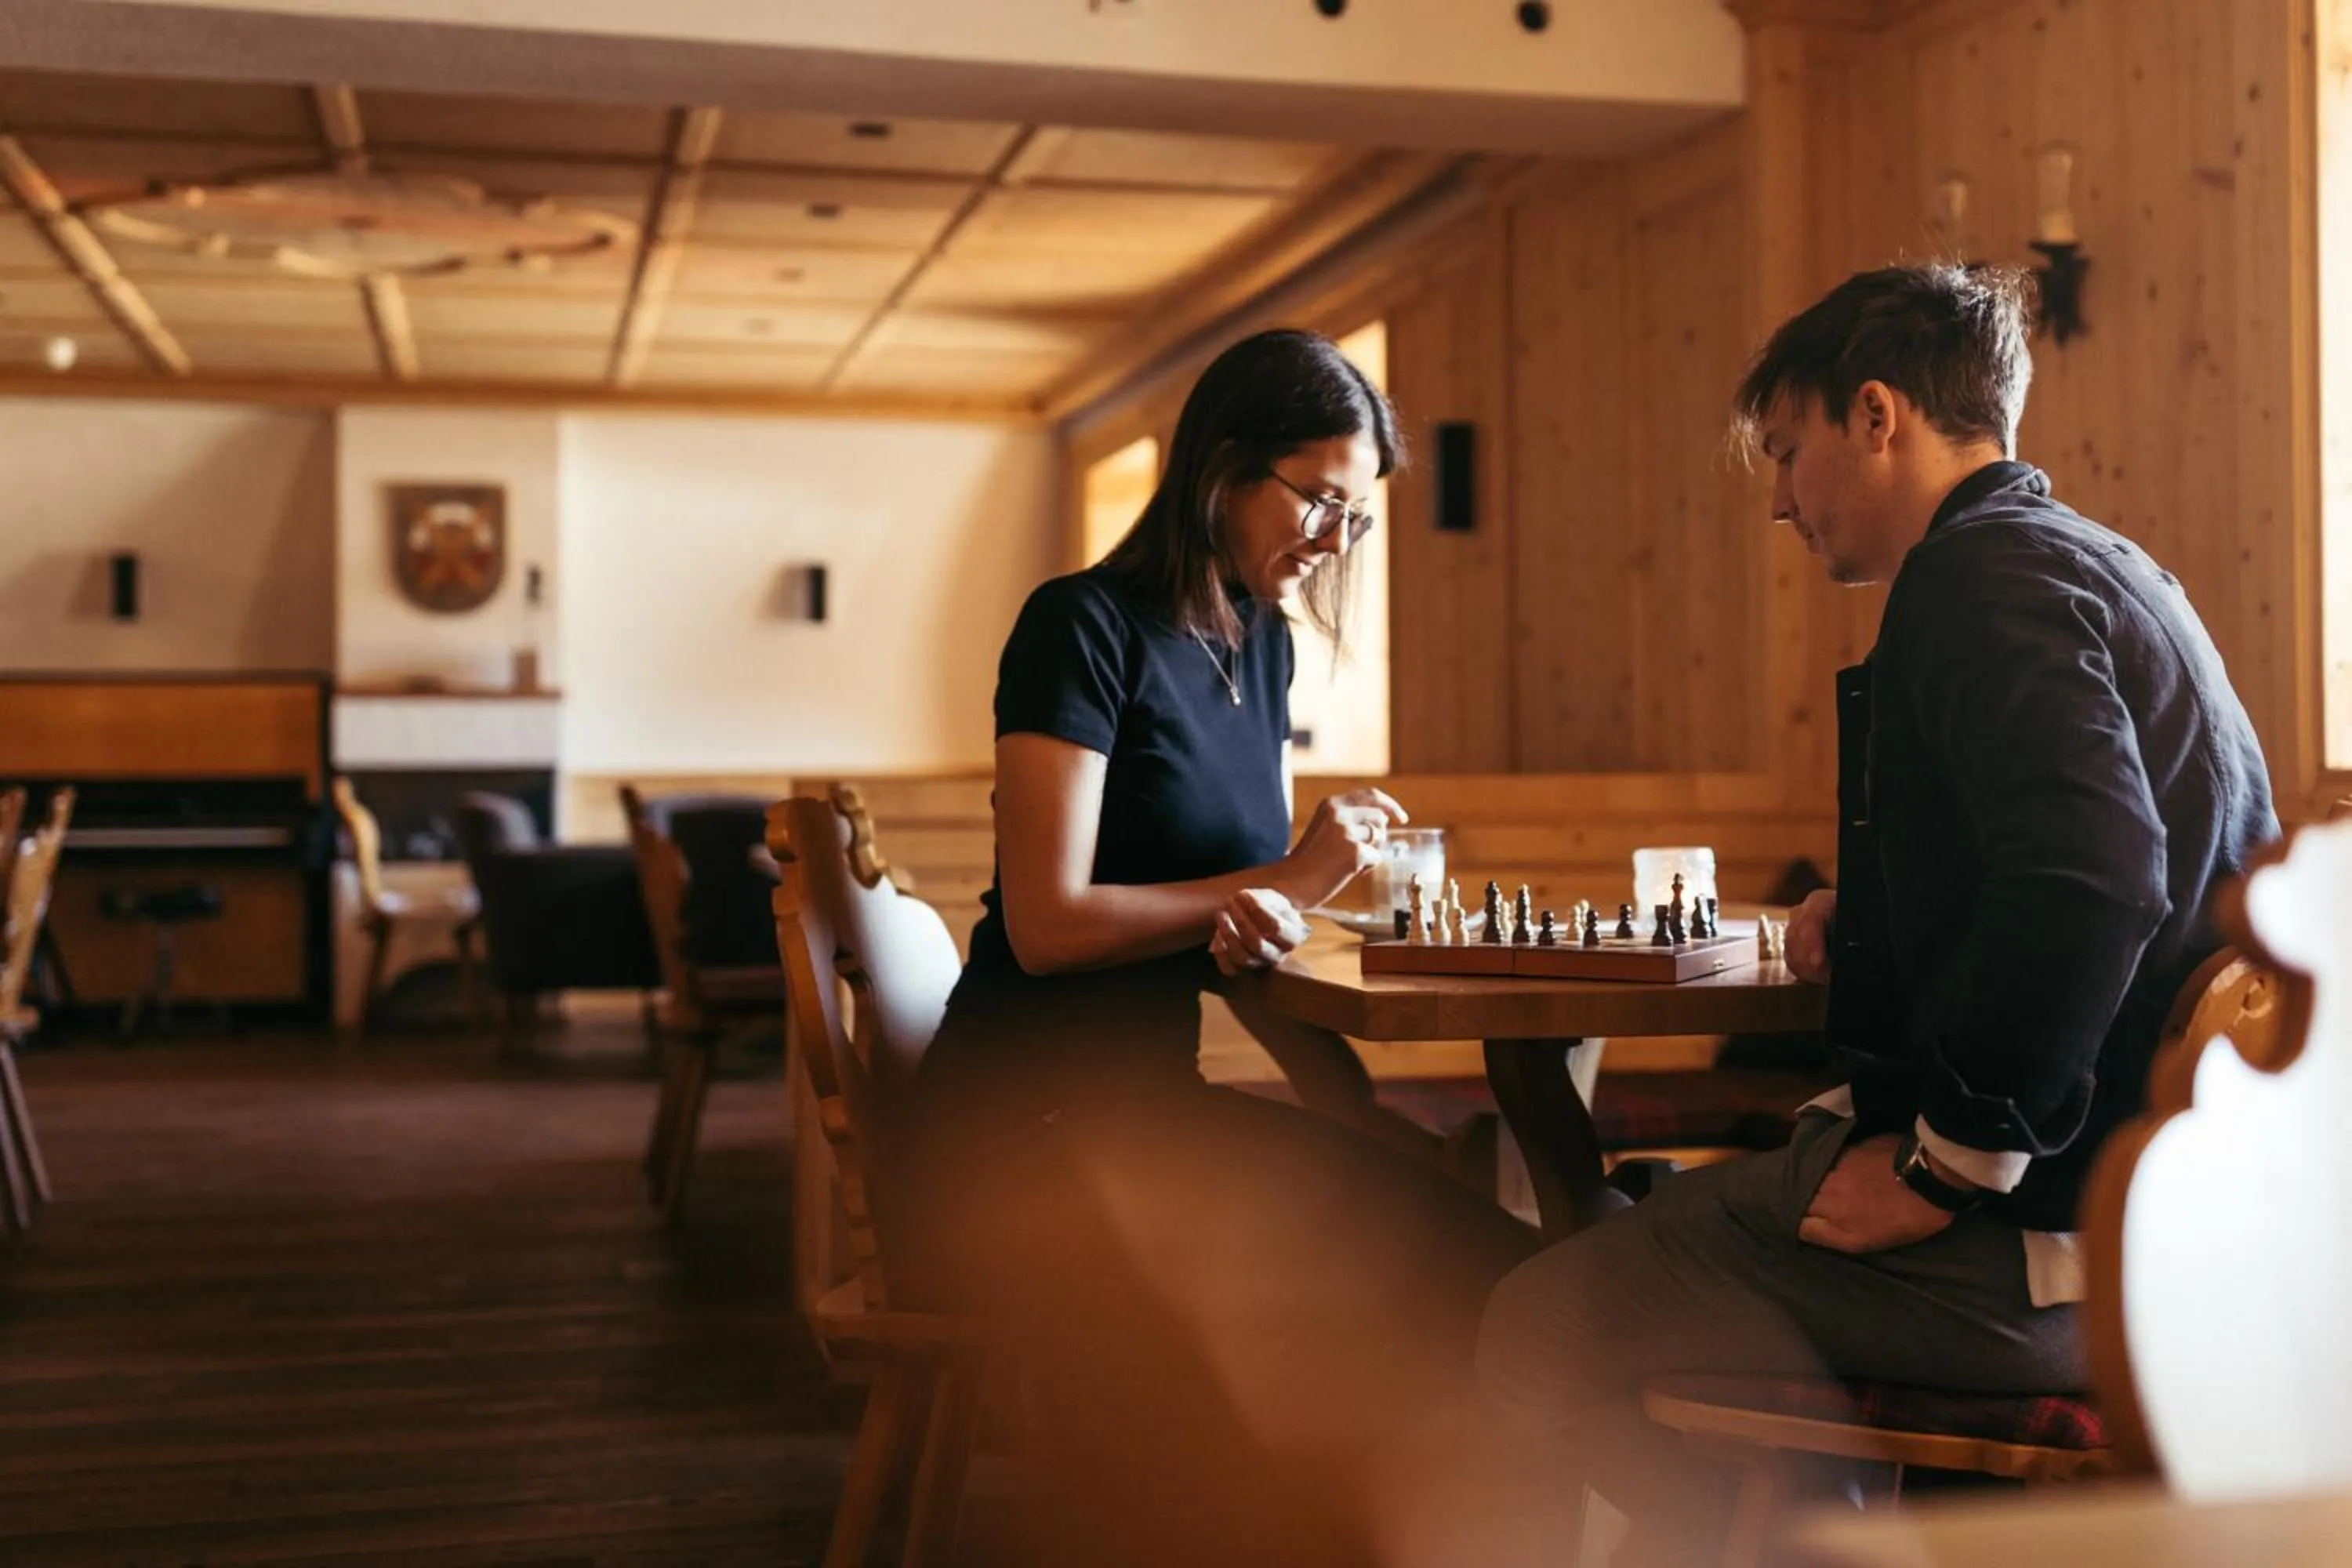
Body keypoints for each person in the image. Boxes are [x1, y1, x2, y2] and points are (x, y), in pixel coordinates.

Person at [1474, 263, 2278, 1562]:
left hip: (2047, 1251)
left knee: (1532, 1320)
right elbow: (2117, 873)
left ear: (1878, 415)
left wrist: (1947, 1162)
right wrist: (1888, 919)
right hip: (2156, 1231)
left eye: (1788, 454)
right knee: (1651, 1207)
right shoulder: (2105, 565)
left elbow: (2099, 878)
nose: (1782, 500)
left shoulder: (1975, 583)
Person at [885, 329, 1538, 1566]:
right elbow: (1048, 921)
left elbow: (1230, 927)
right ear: (1223, 470)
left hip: (1146, 1113)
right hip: (1019, 1136)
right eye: (1321, 501)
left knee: (1490, 1263)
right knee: (1399, 1284)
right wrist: (1285, 877)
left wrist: (1344, 1101)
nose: (1335, 541)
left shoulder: (1263, 644)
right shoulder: (1081, 626)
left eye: (1358, 518)